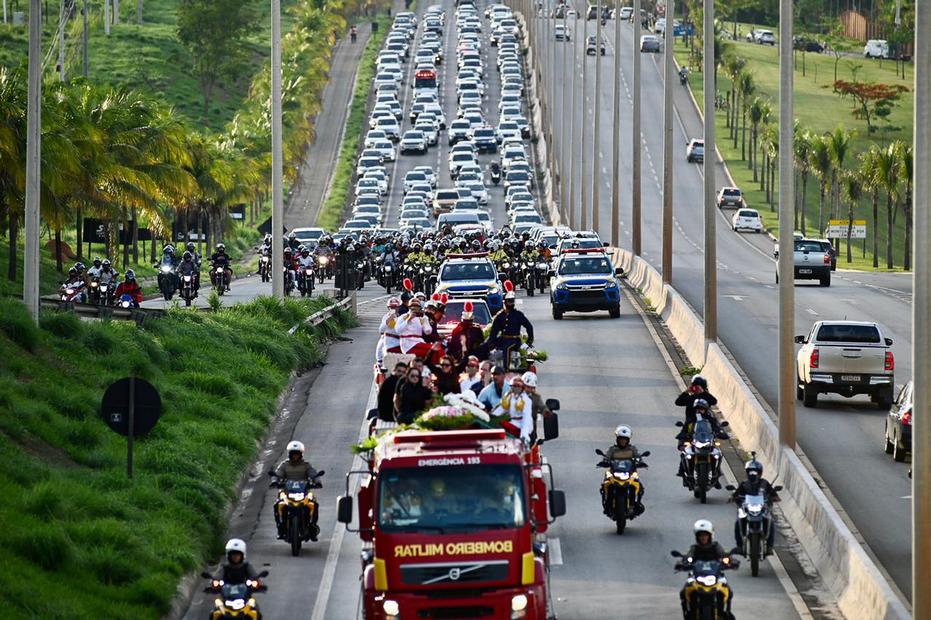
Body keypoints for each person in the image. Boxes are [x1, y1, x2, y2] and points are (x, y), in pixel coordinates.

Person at [677, 520, 736, 619]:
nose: (703, 537)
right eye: (701, 535)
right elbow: (687, 556)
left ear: (710, 536)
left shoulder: (716, 547)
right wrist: (682, 562)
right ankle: (689, 613)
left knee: (728, 591)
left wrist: (730, 561)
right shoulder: (694, 548)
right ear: (697, 537)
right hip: (696, 576)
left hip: (716, 575)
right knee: (684, 592)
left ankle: (725, 613)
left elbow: (724, 555)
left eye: (705, 535)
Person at [272, 440, 321, 541]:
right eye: (293, 454)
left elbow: (313, 473)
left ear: (301, 454)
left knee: (314, 504)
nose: (295, 456)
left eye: (297, 454)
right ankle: (280, 528)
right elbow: (278, 474)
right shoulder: (284, 465)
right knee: (277, 505)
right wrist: (274, 481)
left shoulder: (306, 465)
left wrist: (317, 481)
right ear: (289, 454)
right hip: (287, 492)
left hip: (304, 492)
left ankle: (312, 526)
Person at [731, 456, 778, 553]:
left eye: (755, 472)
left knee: (771, 523)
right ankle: (739, 546)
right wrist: (734, 498)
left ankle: (769, 546)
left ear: (760, 472)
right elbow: (736, 495)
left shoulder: (765, 483)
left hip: (762, 509)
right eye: (751, 472)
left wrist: (773, 497)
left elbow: (773, 494)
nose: (753, 474)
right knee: (737, 522)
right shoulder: (744, 484)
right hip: (748, 509)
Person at [600, 424, 645, 514]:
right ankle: (608, 503)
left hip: (629, 472)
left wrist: (640, 461)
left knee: (638, 485)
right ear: (617, 439)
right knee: (606, 484)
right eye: (621, 439)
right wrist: (604, 461)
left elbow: (638, 457)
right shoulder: (613, 449)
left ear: (628, 440)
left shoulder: (632, 449)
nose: (622, 441)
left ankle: (635, 504)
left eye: (624, 439)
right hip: (614, 472)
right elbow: (607, 457)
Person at [487, 288, 534, 370]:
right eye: (509, 301)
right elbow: (494, 331)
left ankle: (506, 369)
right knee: (484, 346)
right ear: (504, 302)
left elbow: (529, 327)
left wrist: (529, 342)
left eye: (512, 301)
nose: (511, 303)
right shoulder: (500, 316)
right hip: (503, 339)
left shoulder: (518, 315)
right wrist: (490, 343)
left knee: (507, 348)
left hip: (515, 341)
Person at [494, 376, 534, 441]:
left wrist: (524, 434)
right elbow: (501, 409)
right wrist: (491, 417)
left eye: (517, 386)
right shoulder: (509, 397)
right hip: (513, 422)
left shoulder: (526, 400)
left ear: (522, 388)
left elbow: (526, 417)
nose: (515, 388)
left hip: (523, 425)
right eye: (513, 386)